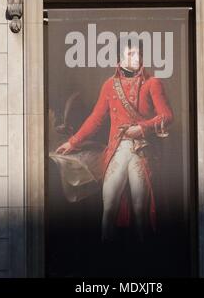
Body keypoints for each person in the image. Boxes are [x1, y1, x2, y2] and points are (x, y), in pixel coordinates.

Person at [56, 36, 173, 244]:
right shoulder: (110, 85)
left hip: (142, 150)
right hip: (117, 149)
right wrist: (72, 142)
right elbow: (96, 119)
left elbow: (166, 116)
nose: (137, 57)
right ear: (120, 58)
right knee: (108, 207)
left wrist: (142, 128)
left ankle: (144, 259)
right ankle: (106, 256)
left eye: (139, 53)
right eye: (131, 53)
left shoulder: (153, 83)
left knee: (140, 212)